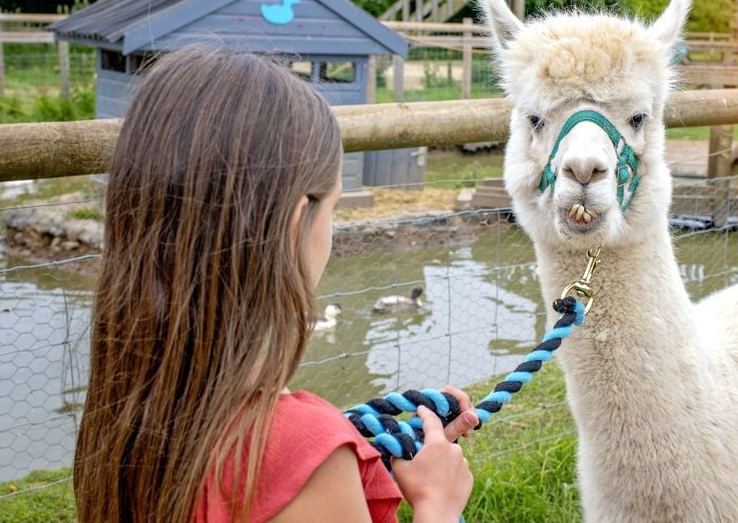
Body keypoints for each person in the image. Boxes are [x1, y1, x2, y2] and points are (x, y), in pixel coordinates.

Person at [74, 46, 478, 522]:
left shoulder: (127, 407)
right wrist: (438, 505)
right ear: (295, 223)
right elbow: (289, 471)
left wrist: (364, 475)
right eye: (334, 207)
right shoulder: (304, 451)